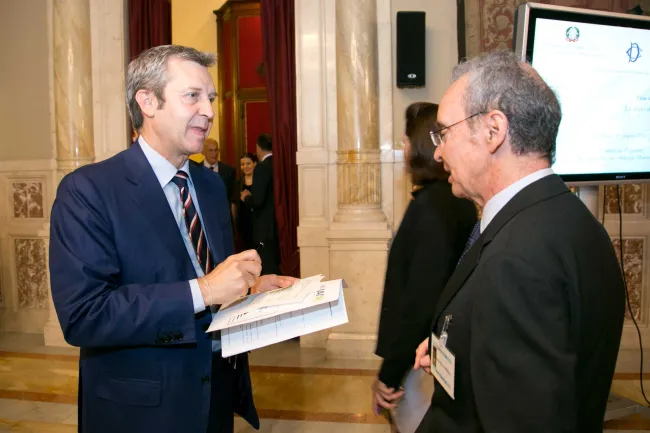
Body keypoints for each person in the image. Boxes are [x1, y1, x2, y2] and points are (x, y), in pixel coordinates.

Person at [49, 45, 296, 433]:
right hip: (141, 411)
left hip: (214, 399)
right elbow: (84, 316)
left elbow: (211, 282)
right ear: (147, 101)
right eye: (193, 96)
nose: (209, 111)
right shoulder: (88, 191)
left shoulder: (211, 186)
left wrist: (249, 291)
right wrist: (205, 289)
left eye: (210, 98)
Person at [413, 51, 625, 432]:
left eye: (444, 133)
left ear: (493, 131)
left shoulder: (515, 262)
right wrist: (457, 344)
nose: (439, 152)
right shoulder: (575, 221)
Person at [372, 102, 477, 433]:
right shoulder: (450, 199)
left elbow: (419, 301)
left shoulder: (432, 208)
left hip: (421, 360)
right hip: (432, 352)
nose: (403, 149)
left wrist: (389, 375)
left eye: (405, 141)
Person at [241, 133, 280, 275]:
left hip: (266, 227)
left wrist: (246, 197)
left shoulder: (262, 167)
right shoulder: (280, 162)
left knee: (268, 269)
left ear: (258, 148)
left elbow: (258, 201)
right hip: (280, 223)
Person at [232, 152, 258, 251]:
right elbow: (234, 204)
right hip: (243, 226)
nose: (245, 167)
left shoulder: (260, 182)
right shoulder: (238, 183)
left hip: (257, 224)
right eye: (243, 164)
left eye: (248, 163)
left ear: (254, 164)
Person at [203, 138, 236, 202]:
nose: (214, 153)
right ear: (203, 152)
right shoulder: (195, 171)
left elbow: (232, 197)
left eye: (216, 150)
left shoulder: (229, 171)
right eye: (210, 150)